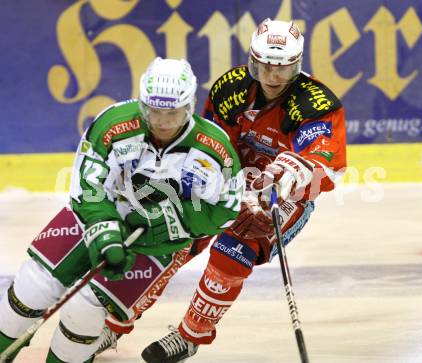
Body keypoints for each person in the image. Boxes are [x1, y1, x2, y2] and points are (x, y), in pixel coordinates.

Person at [0, 57, 243, 363]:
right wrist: (106, 230)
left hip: (157, 245)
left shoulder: (214, 149)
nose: (163, 122)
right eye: (155, 111)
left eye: (173, 112)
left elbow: (228, 209)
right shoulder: (113, 124)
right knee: (32, 287)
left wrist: (169, 220)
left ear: (189, 106)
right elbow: (87, 187)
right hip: (93, 217)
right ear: (144, 104)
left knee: (85, 310)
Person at [140, 18, 347, 363]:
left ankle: (190, 334)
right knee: (173, 235)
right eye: (265, 66)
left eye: (283, 68)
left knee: (234, 249)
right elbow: (207, 142)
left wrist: (292, 172)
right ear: (253, 60)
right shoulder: (231, 88)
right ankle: (116, 321)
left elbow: (325, 163)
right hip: (228, 178)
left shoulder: (317, 103)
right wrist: (211, 182)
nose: (273, 77)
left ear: (297, 65)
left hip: (282, 195)